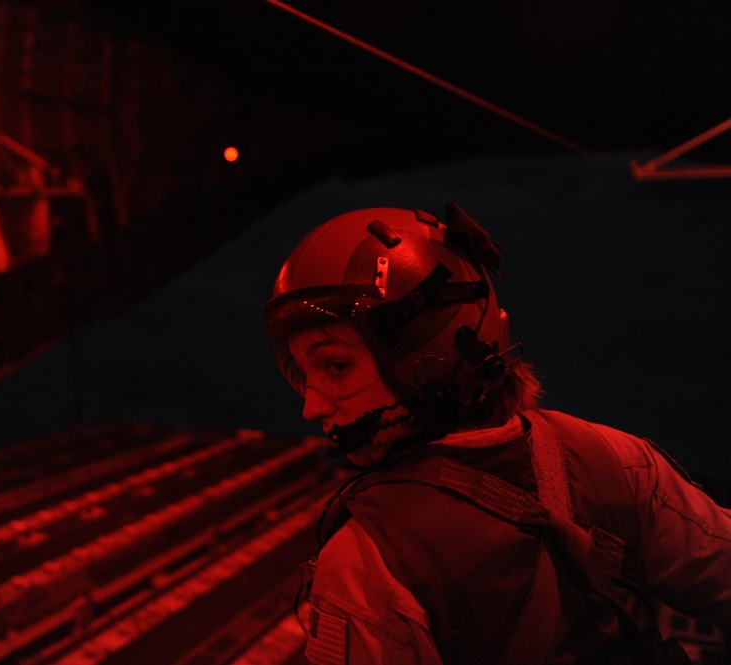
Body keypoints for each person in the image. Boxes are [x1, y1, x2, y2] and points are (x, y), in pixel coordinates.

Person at [264, 204, 731, 664]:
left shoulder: (366, 562)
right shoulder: (618, 460)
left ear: (432, 355)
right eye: (306, 375)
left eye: (336, 366)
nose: (312, 405)